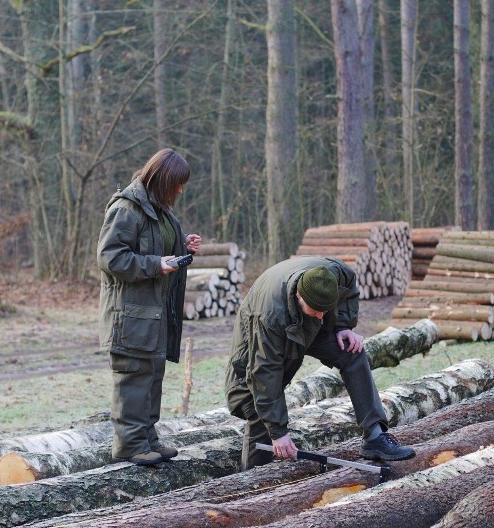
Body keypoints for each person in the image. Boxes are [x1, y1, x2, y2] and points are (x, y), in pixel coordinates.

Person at [225, 256, 415, 470]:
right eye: (315, 310)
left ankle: (375, 436)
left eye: (325, 310)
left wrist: (343, 325)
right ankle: (251, 480)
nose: (320, 316)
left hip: (306, 324)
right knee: (256, 403)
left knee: (352, 351)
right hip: (268, 330)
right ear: (299, 296)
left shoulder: (334, 274)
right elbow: (265, 373)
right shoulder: (269, 317)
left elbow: (349, 285)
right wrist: (278, 433)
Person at [97, 148, 201, 466]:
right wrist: (156, 264)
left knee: (152, 374)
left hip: (153, 314)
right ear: (162, 180)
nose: (181, 190)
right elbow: (110, 257)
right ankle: (129, 445)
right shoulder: (127, 208)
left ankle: (147, 438)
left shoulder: (160, 210)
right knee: (133, 377)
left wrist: (181, 247)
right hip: (130, 316)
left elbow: (155, 246)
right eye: (177, 184)